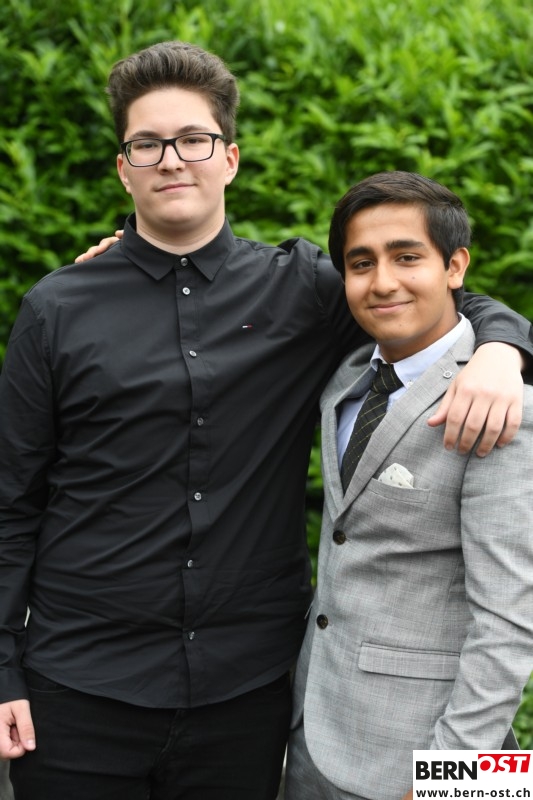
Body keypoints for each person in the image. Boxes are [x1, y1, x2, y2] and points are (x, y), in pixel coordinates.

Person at [0, 42, 531, 800]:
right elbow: (11, 501)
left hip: (248, 698)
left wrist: (503, 348)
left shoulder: (306, 290)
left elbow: (421, 294)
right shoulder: (57, 307)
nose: (171, 159)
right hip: (78, 690)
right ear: (123, 167)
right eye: (148, 144)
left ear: (230, 159)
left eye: (194, 139)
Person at [285, 171, 533, 800]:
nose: (383, 282)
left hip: (429, 753)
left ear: (455, 266)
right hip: (312, 731)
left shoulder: (507, 404)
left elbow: (511, 619)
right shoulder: (346, 377)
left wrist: (452, 779)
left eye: (407, 257)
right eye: (361, 263)